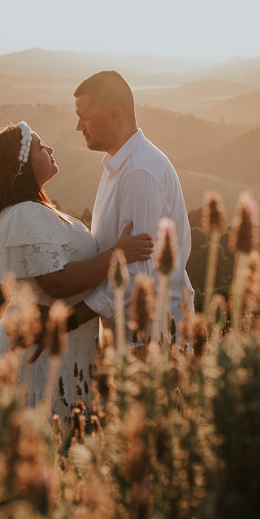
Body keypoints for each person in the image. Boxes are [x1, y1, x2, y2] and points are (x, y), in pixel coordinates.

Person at [0, 121, 153, 417]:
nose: (49, 149)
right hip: (39, 355)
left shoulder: (33, 209)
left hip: (58, 348)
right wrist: (117, 254)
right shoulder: (25, 213)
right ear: (20, 166)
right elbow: (57, 282)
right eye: (39, 147)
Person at [70, 71, 194, 346]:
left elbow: (135, 276)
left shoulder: (139, 172)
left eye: (85, 117)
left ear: (115, 114)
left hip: (153, 342)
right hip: (129, 339)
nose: (79, 126)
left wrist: (68, 321)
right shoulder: (119, 165)